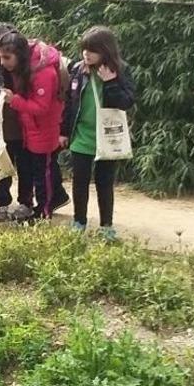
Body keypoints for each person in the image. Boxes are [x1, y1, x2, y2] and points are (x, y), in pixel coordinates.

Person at [61, 26, 136, 240]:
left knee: (105, 182)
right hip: (82, 135)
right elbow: (69, 103)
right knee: (80, 181)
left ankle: (106, 226)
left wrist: (110, 82)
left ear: (105, 50)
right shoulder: (78, 69)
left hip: (108, 137)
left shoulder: (120, 70)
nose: (87, 54)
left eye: (92, 50)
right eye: (84, 49)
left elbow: (126, 102)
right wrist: (64, 131)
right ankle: (79, 221)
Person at [0, 31, 70, 219]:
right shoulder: (26, 68)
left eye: (7, 57)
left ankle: (44, 211)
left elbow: (41, 107)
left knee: (42, 174)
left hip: (43, 128)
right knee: (35, 171)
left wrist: (14, 100)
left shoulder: (43, 73)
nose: (2, 62)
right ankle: (42, 206)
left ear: (20, 55)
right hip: (31, 128)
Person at [0, 23, 31, 222]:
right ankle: (1, 204)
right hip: (5, 127)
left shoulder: (27, 67)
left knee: (26, 167)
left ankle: (26, 203)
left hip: (26, 126)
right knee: (2, 167)